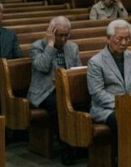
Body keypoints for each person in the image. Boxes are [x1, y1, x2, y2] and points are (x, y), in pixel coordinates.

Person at [87, 19, 131, 161]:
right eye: (119, 39)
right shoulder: (96, 62)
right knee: (122, 119)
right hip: (106, 109)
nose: (124, 43)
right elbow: (97, 93)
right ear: (108, 38)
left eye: (127, 38)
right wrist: (122, 105)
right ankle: (121, 159)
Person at [27, 16, 81, 165]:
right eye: (60, 35)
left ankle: (81, 144)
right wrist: (50, 44)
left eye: (66, 35)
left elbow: (77, 70)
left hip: (67, 89)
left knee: (84, 102)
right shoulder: (37, 46)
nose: (63, 39)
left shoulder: (72, 47)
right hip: (44, 91)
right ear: (51, 32)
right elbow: (43, 67)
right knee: (59, 107)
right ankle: (67, 148)